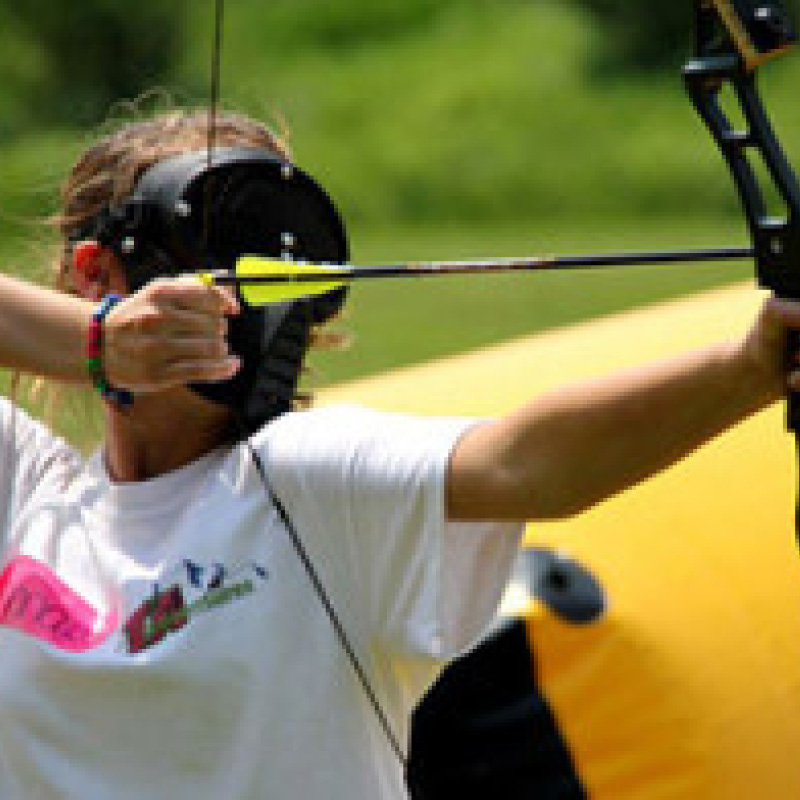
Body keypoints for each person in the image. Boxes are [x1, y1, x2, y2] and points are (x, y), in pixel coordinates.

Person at [0, 108, 798, 800]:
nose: (244, 312)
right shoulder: (28, 491)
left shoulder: (303, 479)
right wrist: (103, 343)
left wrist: (753, 367)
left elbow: (526, 461)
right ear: (96, 273)